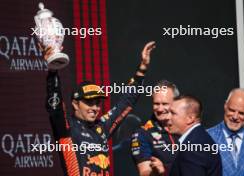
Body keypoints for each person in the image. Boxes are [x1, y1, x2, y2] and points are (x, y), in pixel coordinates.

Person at [42, 41, 156, 176]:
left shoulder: (101, 128)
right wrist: (53, 70)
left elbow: (125, 103)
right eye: (89, 103)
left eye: (97, 103)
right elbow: (55, 107)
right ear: (75, 104)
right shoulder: (67, 129)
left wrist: (142, 68)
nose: (95, 108)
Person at [207, 88, 244, 176]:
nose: (235, 116)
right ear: (225, 105)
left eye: (241, 113)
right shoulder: (205, 138)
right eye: (232, 110)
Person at [131, 80, 180, 176]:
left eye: (165, 104)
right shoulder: (142, 133)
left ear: (176, 103)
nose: (160, 109)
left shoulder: (185, 127)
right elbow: (144, 172)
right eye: (156, 104)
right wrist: (157, 172)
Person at [168, 95, 222, 176]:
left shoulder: (193, 148)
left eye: (173, 113)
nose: (168, 117)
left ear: (190, 118)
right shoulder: (200, 139)